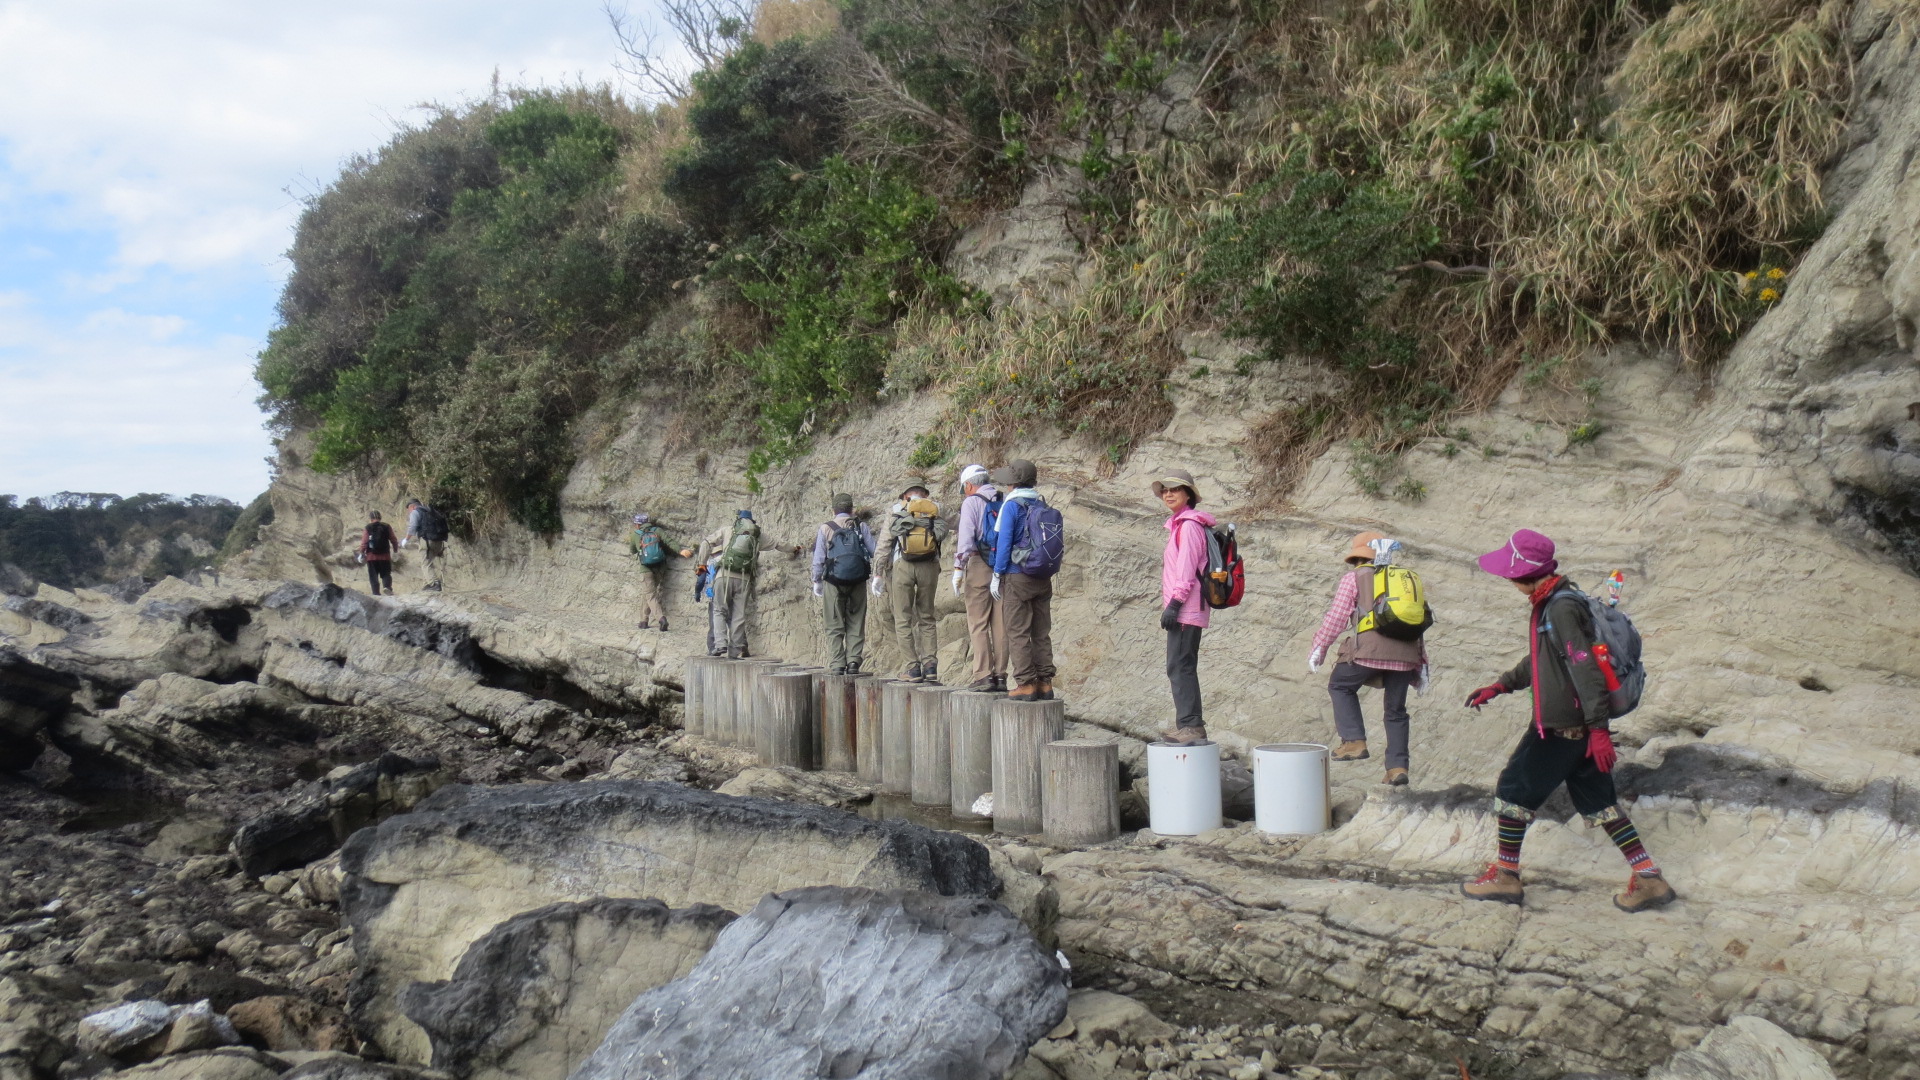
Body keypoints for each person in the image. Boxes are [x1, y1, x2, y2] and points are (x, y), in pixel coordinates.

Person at [1459, 528, 1677, 913]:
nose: (1507, 579)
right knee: (1599, 802)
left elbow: (1584, 667)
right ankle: (1649, 879)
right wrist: (1502, 685)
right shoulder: (1553, 603)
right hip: (1580, 727)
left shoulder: (1559, 608)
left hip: (1563, 728)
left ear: (1524, 572)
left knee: (1512, 790)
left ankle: (1506, 877)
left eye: (1510, 573)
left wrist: (1599, 730)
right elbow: (1542, 659)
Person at [1307, 532, 1428, 785]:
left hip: (1369, 651)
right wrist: (1422, 665)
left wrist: (1319, 646)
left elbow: (1337, 617)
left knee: (1340, 685)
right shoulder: (1405, 579)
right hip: (1406, 656)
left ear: (1357, 558)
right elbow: (1418, 623)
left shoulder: (1355, 578)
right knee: (1396, 711)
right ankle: (1397, 769)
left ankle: (1354, 741)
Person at [1153, 469, 1216, 745]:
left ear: (1188, 494)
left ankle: (1191, 726)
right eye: (1165, 490)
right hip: (1187, 607)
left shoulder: (1189, 526)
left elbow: (1187, 571)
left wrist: (1175, 604)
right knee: (1181, 665)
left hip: (1186, 607)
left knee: (1180, 666)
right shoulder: (1181, 525)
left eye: (1175, 489)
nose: (1168, 494)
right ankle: (1189, 725)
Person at [990, 459, 1059, 702]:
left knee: (1018, 631)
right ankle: (1045, 683)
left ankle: (1026, 684)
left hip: (1017, 576)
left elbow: (1004, 543)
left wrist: (997, 574)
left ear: (1013, 482)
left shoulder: (1012, 506)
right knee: (1041, 632)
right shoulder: (1042, 503)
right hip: (1042, 576)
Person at [695, 510, 791, 659]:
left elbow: (706, 543)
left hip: (724, 576)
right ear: (752, 522)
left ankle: (720, 644)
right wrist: (795, 549)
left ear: (737, 520)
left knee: (719, 610)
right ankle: (735, 650)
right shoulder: (758, 535)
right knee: (738, 615)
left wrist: (702, 564)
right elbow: (779, 544)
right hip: (745, 580)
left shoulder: (728, 530)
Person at [879, 483, 948, 682]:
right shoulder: (936, 508)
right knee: (926, 616)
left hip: (903, 565)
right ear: (925, 493)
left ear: (905, 495)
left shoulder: (895, 510)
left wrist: (877, 572)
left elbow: (884, 543)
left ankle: (912, 668)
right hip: (929, 565)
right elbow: (962, 523)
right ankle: (930, 666)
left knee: (903, 619)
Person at [952, 464, 1007, 692]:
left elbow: (966, 538)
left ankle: (983, 675)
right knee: (1001, 623)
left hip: (978, 564)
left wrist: (958, 567)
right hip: (1003, 566)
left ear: (969, 485)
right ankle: (1001, 676)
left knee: (978, 622)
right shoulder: (1005, 499)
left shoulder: (971, 502)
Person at [812, 494, 878, 675]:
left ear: (833, 510)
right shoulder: (861, 526)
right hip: (858, 579)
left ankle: (837, 664)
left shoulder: (826, 528)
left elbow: (819, 558)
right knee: (856, 620)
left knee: (833, 621)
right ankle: (854, 661)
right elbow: (874, 551)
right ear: (852, 509)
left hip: (833, 581)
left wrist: (817, 580)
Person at [628, 513, 693, 631]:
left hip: (646, 569)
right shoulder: (657, 530)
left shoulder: (635, 534)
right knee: (648, 593)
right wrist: (680, 551)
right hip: (660, 567)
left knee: (650, 594)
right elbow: (669, 541)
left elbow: (632, 551)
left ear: (637, 525)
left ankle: (661, 619)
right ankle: (643, 621)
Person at [401, 499, 448, 592]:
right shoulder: (431, 511)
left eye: (409, 509)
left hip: (427, 541)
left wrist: (406, 539)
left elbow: (413, 526)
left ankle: (434, 583)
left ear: (412, 507)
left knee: (425, 564)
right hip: (439, 542)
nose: (409, 512)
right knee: (429, 562)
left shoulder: (415, 512)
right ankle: (427, 584)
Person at [359, 510, 396, 596]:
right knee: (386, 573)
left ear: (371, 519)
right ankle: (387, 587)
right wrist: (395, 551)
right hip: (385, 556)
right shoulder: (386, 526)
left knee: (373, 576)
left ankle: (376, 593)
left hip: (371, 556)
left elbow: (364, 542)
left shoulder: (368, 527)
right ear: (380, 518)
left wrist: (361, 553)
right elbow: (393, 539)